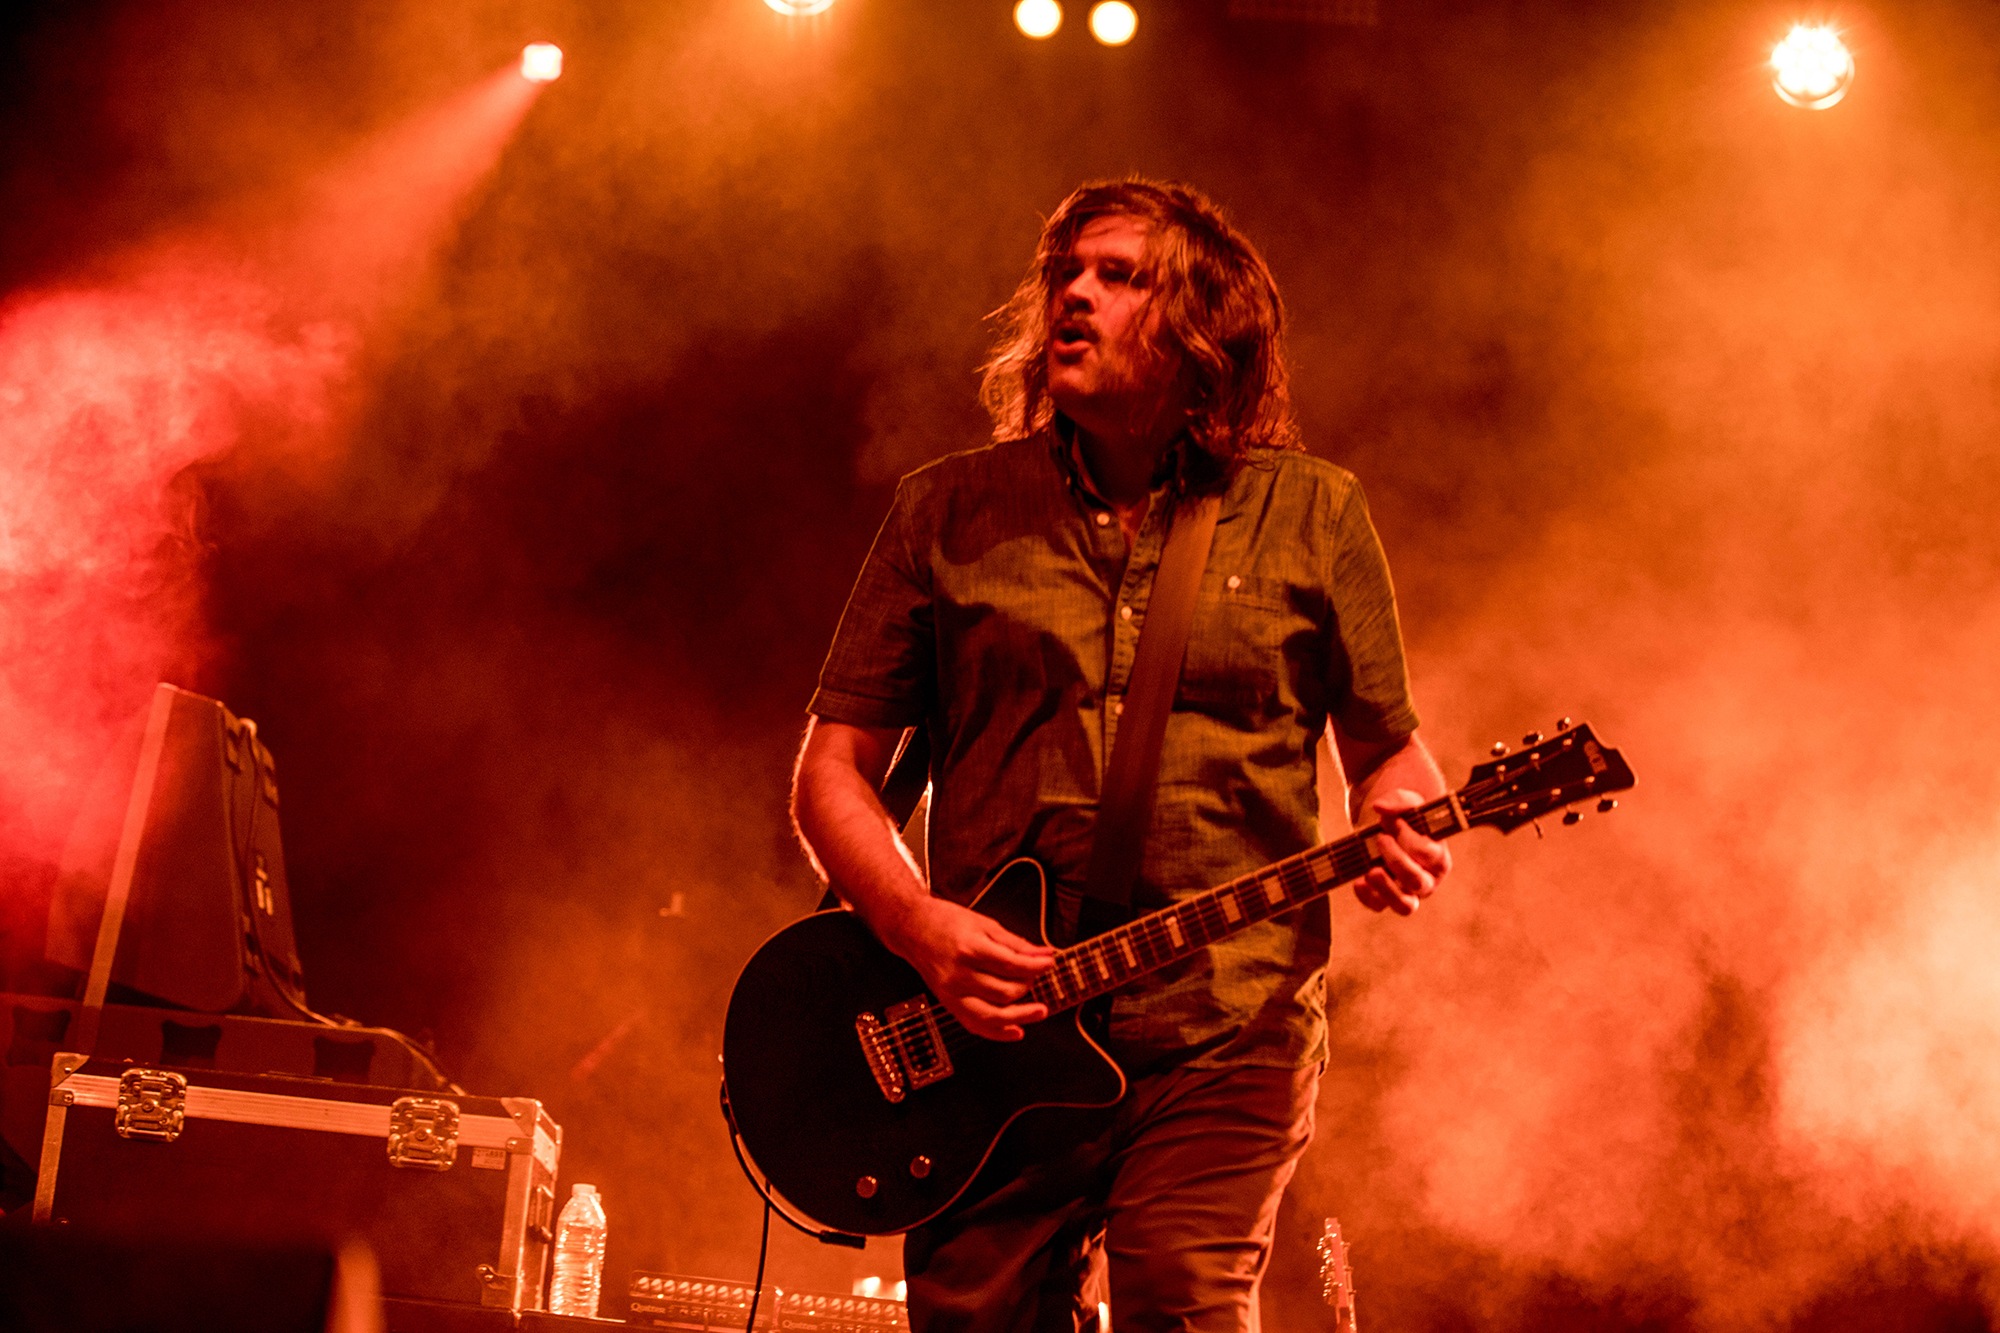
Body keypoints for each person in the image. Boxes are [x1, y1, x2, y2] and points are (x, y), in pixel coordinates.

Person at [790, 179, 1451, 1333]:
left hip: (1224, 1026)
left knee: (1183, 1295)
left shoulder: (1313, 515)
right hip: (993, 1036)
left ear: (1203, 324)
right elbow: (830, 769)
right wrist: (915, 926)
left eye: (1118, 277)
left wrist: (1401, 812)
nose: (1074, 297)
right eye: (1065, 274)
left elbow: (1389, 755)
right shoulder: (944, 512)